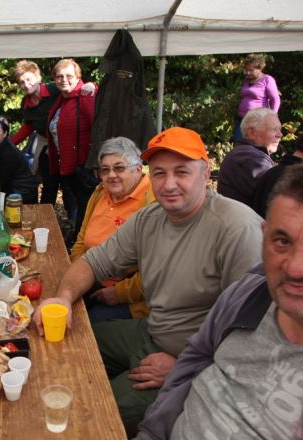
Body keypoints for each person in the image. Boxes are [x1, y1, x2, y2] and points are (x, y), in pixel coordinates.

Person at [34, 127, 263, 436]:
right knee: (61, 345)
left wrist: (186, 366)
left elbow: (256, 332)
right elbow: (92, 262)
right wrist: (63, 298)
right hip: (151, 331)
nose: (169, 184)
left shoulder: (237, 228)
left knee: (88, 412)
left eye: (181, 172)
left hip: (191, 361)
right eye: (159, 173)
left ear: (206, 172)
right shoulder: (149, 218)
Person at [137, 162, 303, 440]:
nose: (295, 268)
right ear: (263, 235)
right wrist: (151, 432)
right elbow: (193, 361)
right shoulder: (249, 292)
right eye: (282, 241)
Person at [71, 137, 155, 322]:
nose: (111, 175)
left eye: (119, 168)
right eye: (105, 169)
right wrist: (79, 274)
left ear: (138, 169)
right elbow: (81, 240)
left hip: (132, 295)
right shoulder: (100, 193)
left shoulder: (153, 202)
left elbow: (155, 272)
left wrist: (119, 292)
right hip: (92, 277)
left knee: (86, 324)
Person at [10, 60, 94, 205]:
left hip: (69, 142)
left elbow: (76, 88)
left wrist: (91, 85)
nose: (26, 85)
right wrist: (7, 143)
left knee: (73, 188)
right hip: (46, 142)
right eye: (22, 82)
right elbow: (29, 126)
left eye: (29, 79)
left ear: (38, 78)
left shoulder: (54, 89)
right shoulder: (27, 103)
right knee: (48, 183)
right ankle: (46, 213)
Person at [46, 58, 97, 235]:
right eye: (59, 76)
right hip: (66, 167)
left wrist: (96, 163)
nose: (64, 80)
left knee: (84, 211)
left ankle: (79, 244)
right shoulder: (61, 99)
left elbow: (98, 129)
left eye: (69, 76)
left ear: (78, 77)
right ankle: (74, 238)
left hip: (84, 168)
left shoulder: (86, 95)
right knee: (73, 209)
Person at [217, 108, 282, 206]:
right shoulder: (249, 157)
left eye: (279, 129)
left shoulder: (246, 153)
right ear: (252, 133)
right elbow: (282, 193)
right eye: (274, 129)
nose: (280, 135)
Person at [0, 114, 38, 204]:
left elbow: (3, 184)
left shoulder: (10, 153)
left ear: (5, 133)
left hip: (21, 197)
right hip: (2, 193)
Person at [234, 53, 280, 141]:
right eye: (246, 70)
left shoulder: (267, 79)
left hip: (257, 121)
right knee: (238, 143)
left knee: (255, 143)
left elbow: (275, 100)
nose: (247, 73)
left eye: (251, 70)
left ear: (260, 68)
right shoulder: (246, 80)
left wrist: (272, 117)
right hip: (242, 119)